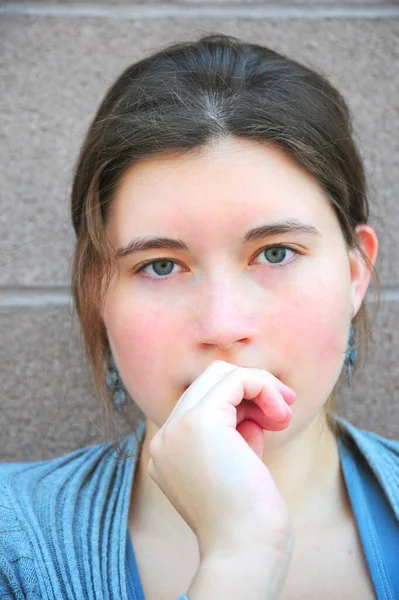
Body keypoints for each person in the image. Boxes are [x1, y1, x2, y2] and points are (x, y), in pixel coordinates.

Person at [0, 33, 397, 600]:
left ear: (355, 275)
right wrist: (240, 559)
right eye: (161, 265)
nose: (221, 325)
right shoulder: (11, 549)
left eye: (276, 253)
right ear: (96, 293)